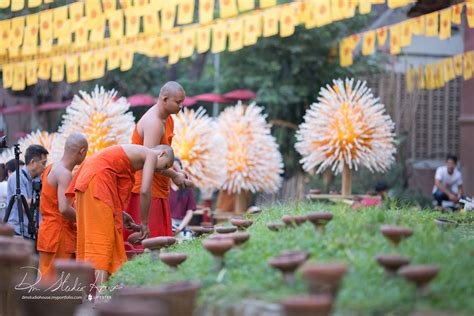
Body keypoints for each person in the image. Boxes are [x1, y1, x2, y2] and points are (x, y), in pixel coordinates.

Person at [66, 144, 174, 284]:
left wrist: (119, 213)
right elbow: (145, 191)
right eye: (165, 166)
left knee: (104, 236)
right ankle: (101, 293)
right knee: (102, 237)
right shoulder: (151, 155)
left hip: (91, 178)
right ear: (162, 154)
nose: (160, 170)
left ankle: (99, 289)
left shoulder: (139, 154)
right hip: (96, 180)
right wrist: (145, 223)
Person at [124, 81, 194, 244]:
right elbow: (150, 163)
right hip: (146, 190)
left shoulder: (168, 119)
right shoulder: (154, 123)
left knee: (160, 242)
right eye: (178, 102)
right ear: (164, 99)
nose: (181, 106)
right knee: (150, 246)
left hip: (159, 189)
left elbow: (163, 155)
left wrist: (176, 171)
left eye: (182, 102)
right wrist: (175, 176)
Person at [37, 134, 88, 283]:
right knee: (56, 282)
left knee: (46, 277)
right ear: (82, 151)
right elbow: (64, 209)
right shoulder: (65, 174)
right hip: (59, 235)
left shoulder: (51, 167)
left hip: (48, 231)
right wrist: (84, 218)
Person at [6, 145, 48, 238]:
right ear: (33, 162)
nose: (44, 167)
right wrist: (47, 198)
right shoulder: (17, 177)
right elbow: (24, 205)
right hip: (17, 232)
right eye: (43, 163)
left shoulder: (38, 179)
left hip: (31, 232)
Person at [170, 158, 197, 238]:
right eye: (173, 168)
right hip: (166, 223)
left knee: (186, 237)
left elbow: (190, 211)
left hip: (182, 224)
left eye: (177, 168)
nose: (175, 171)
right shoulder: (163, 188)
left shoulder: (187, 189)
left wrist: (180, 228)